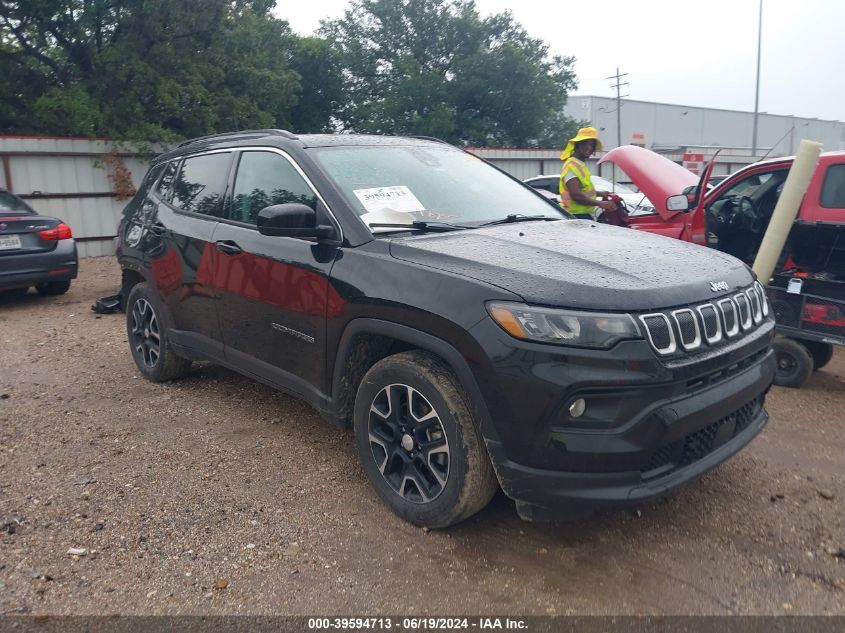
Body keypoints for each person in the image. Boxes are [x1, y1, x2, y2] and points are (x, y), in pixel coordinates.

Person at [559, 127, 617, 219]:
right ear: (577, 145)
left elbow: (583, 191)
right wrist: (600, 203)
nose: (589, 147)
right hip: (575, 216)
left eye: (592, 144)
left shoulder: (579, 164)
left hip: (582, 214)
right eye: (585, 143)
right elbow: (576, 195)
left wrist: (599, 193)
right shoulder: (571, 165)